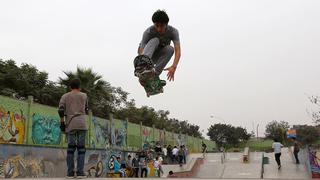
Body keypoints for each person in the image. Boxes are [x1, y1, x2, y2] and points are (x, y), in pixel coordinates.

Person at [134, 10, 181, 84]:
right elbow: (141, 49)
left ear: (166, 24)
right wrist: (141, 67)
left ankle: (154, 75)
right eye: (157, 26)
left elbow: (178, 50)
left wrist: (174, 66)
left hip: (159, 55)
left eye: (161, 26)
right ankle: (143, 64)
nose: (159, 29)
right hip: (145, 54)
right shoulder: (148, 32)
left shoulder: (173, 32)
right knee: (155, 40)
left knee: (170, 49)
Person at [58, 79, 89, 179]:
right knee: (81, 149)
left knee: (70, 149)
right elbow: (86, 110)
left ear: (70, 87)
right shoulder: (84, 96)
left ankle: (70, 173)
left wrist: (62, 123)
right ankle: (80, 173)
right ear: (79, 87)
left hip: (70, 124)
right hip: (82, 124)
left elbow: (61, 110)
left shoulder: (65, 96)